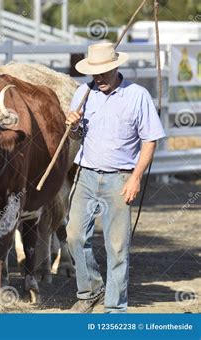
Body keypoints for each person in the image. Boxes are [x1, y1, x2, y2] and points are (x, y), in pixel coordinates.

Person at [65, 42, 165, 313]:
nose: (98, 78)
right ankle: (90, 289)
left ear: (116, 67)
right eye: (94, 73)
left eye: (103, 72)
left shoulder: (137, 95)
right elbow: (76, 137)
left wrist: (135, 177)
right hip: (86, 174)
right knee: (74, 236)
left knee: (118, 246)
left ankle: (115, 307)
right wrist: (73, 127)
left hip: (120, 178)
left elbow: (150, 140)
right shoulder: (84, 93)